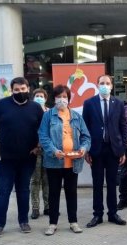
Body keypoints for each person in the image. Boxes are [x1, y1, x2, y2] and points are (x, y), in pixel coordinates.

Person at [0, 77, 44, 237]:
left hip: (27, 158)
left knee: (23, 190)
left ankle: (23, 221)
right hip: (4, 158)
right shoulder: (1, 105)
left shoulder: (36, 108)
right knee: (3, 191)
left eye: (23, 89)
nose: (20, 92)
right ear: (12, 90)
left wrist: (38, 146)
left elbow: (43, 129)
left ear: (28, 89)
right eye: (17, 90)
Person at [38, 85, 91, 235]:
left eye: (65, 97)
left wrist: (83, 148)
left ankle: (73, 222)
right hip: (54, 162)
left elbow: (86, 137)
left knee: (71, 192)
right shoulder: (48, 116)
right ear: (54, 99)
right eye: (59, 97)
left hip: (73, 162)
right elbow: (43, 136)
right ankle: (52, 223)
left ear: (69, 99)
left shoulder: (76, 116)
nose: (62, 100)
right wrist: (54, 151)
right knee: (53, 193)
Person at [82, 75, 127, 228]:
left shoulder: (119, 103)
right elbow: (85, 128)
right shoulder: (89, 103)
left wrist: (122, 150)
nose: (105, 86)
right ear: (97, 85)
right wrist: (87, 150)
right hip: (96, 149)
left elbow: (123, 127)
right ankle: (97, 215)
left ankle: (113, 213)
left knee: (112, 183)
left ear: (112, 86)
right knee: (97, 183)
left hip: (113, 149)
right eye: (102, 83)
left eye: (108, 83)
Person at [30, 88, 50, 219]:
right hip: (35, 151)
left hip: (48, 150)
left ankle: (48, 207)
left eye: (41, 96)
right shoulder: (29, 112)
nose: (39, 97)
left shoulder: (50, 112)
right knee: (35, 180)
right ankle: (35, 208)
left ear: (45, 98)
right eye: (37, 96)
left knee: (47, 180)